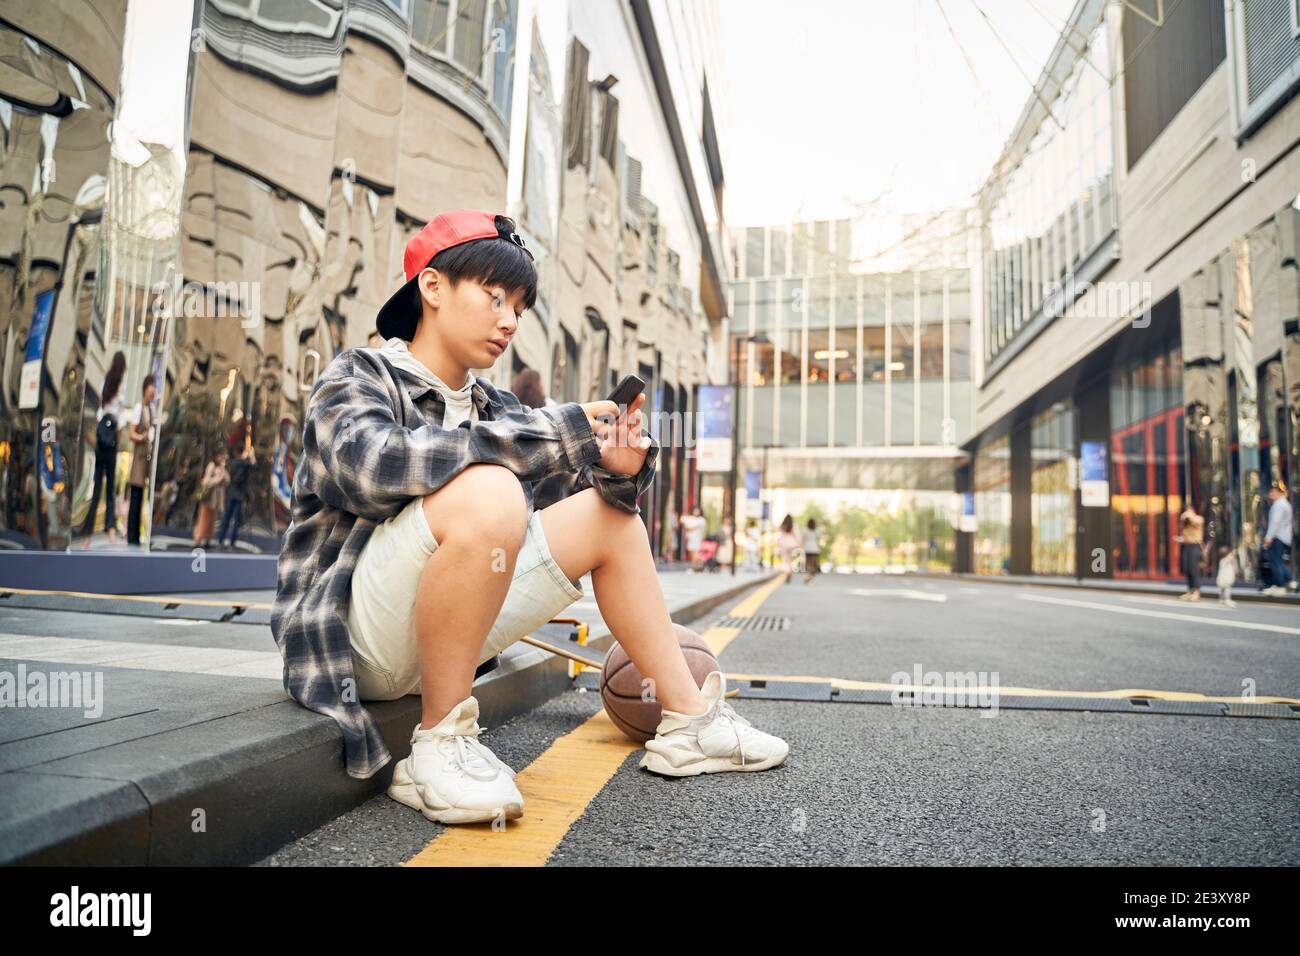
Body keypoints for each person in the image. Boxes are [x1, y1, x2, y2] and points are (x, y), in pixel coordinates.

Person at [270, 210, 788, 826]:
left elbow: (569, 506)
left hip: (445, 639)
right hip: (356, 641)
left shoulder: (498, 408)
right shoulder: (359, 375)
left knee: (606, 519)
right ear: (432, 289)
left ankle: (690, 723)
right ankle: (439, 744)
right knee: (491, 488)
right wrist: (553, 429)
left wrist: (616, 468)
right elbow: (371, 469)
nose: (510, 320)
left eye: (520, 306)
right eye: (494, 297)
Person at [80, 350, 127, 548]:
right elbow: (120, 420)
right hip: (111, 445)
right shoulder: (120, 387)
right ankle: (110, 532)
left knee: (97, 488)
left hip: (101, 443)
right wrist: (116, 439)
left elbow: (100, 413)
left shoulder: (105, 384)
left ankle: (87, 536)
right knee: (109, 491)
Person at [125, 375, 157, 546]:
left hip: (147, 458)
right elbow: (131, 433)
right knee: (135, 497)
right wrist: (143, 436)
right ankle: (132, 536)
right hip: (139, 457)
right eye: (151, 388)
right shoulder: (139, 408)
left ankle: (138, 534)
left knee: (143, 497)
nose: (153, 392)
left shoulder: (152, 410)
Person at [218, 444, 257, 551]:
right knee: (236, 519)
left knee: (226, 517)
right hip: (240, 495)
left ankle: (221, 540)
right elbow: (254, 466)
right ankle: (232, 543)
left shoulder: (233, 463)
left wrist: (245, 457)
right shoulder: (244, 463)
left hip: (231, 493)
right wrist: (252, 455)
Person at [1261, 482, 1295, 595]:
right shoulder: (1285, 504)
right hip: (1283, 536)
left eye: (1273, 492)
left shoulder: (1279, 505)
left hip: (1277, 537)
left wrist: (1268, 537)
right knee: (1279, 560)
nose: (1271, 495)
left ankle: (1281, 585)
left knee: (1275, 561)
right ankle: (1290, 581)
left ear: (1280, 493)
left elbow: (1275, 523)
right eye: (1270, 493)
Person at [193, 449, 229, 549]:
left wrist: (223, 471)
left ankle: (208, 539)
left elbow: (227, 480)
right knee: (204, 518)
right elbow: (206, 481)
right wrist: (217, 479)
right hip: (209, 497)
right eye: (220, 456)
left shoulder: (221, 468)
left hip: (217, 499)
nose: (221, 458)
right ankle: (198, 539)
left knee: (212, 520)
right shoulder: (211, 466)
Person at [1174, 505, 1205, 601]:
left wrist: (1189, 515)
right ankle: (1190, 590)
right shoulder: (1185, 524)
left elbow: (1197, 522)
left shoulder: (1198, 519)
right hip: (1187, 546)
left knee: (1193, 569)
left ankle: (1197, 591)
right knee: (1186, 568)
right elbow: (1184, 536)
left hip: (1195, 546)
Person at [681, 505, 706, 571]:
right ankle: (697, 566)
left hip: (697, 538)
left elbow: (691, 528)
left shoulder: (701, 520)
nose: (696, 512)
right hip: (690, 539)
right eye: (695, 510)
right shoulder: (690, 518)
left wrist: (688, 526)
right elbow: (682, 520)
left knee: (696, 553)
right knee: (691, 552)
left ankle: (697, 566)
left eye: (698, 511)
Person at [777, 513, 799, 581]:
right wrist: (799, 543)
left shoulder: (782, 525)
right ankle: (789, 572)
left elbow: (779, 534)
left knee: (785, 560)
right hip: (792, 544)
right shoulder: (794, 525)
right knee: (790, 560)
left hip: (784, 544)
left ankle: (787, 571)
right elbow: (797, 535)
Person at [802, 517, 823, 583]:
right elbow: (818, 540)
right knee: (813, 563)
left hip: (807, 548)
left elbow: (803, 539)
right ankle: (810, 576)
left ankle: (808, 575)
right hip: (814, 549)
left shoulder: (805, 530)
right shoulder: (817, 530)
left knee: (808, 563)